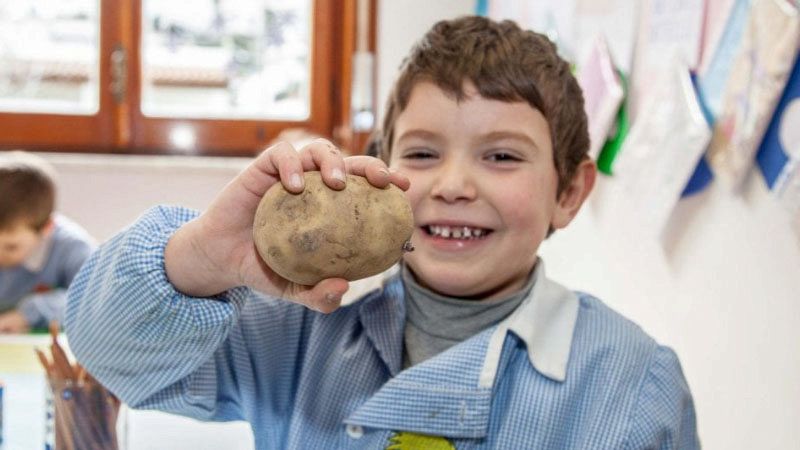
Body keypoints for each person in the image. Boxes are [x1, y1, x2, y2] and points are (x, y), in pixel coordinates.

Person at [65, 16, 698, 449]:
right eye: (421, 154)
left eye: (501, 157)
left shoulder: (630, 382)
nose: (452, 184)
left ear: (569, 193)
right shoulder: (297, 322)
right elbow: (106, 353)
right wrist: (203, 255)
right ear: (375, 168)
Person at [0, 151, 95, 333]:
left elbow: (92, 299)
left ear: (46, 228)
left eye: (11, 247)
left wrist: (30, 314)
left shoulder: (72, 247)